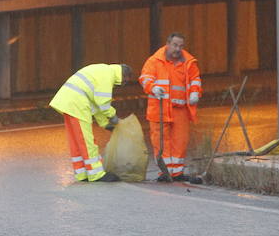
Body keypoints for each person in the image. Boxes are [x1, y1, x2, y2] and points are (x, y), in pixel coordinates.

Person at [49, 63, 134, 183]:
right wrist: (113, 116)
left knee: (77, 142)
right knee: (86, 141)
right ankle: (96, 174)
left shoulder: (104, 70)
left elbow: (96, 104)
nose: (123, 84)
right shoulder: (108, 75)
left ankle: (82, 173)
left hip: (70, 102)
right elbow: (103, 104)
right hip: (77, 104)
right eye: (125, 81)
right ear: (124, 76)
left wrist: (105, 124)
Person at [139, 32, 202, 181]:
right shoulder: (154, 61)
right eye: (175, 45)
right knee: (161, 142)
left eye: (181, 46)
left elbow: (195, 80)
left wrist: (195, 93)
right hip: (160, 109)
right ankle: (165, 172)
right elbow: (145, 78)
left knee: (180, 141)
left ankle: (177, 173)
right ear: (167, 44)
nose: (177, 49)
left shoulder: (188, 62)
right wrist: (153, 88)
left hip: (180, 110)